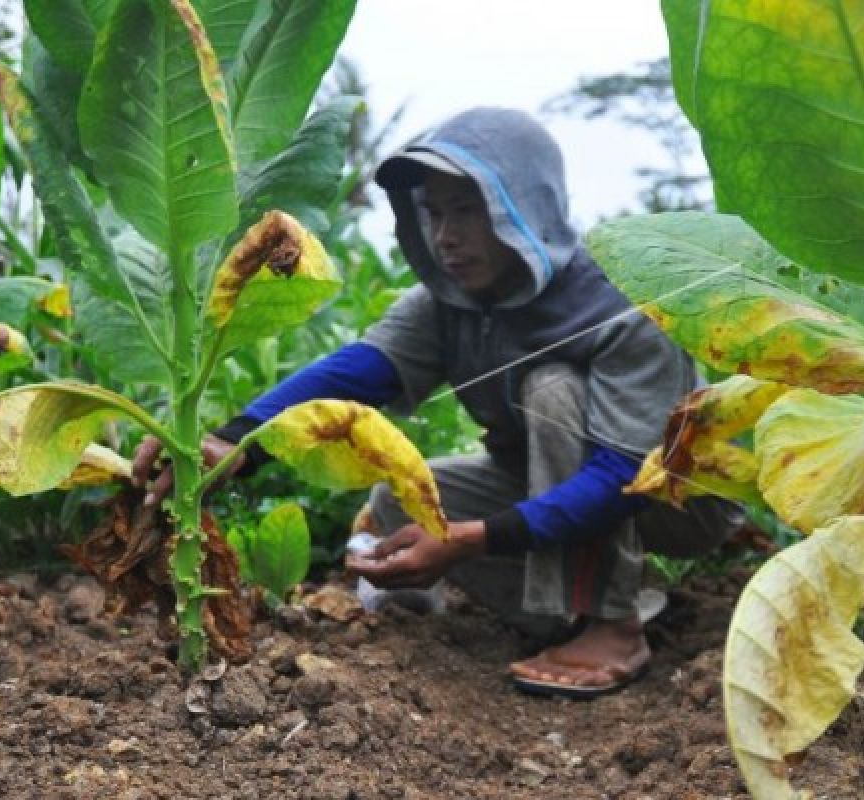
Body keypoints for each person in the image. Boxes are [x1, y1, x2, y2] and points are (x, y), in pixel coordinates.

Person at [134, 107, 741, 699]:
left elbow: (621, 476)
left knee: (551, 389)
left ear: (525, 207)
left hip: (672, 498)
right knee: (402, 504)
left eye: (469, 211)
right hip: (540, 479)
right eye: (434, 213)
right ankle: (579, 606)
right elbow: (360, 372)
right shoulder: (448, 303)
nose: (447, 237)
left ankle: (611, 625)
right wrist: (238, 441)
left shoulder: (622, 307)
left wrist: (471, 538)